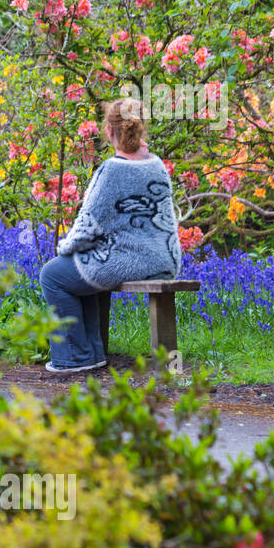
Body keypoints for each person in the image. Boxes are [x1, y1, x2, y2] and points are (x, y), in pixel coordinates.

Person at [39, 97, 182, 373]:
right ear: (140, 129)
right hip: (164, 260)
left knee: (53, 275)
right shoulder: (157, 165)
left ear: (109, 131)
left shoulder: (112, 170)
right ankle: (90, 352)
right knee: (82, 267)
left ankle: (75, 357)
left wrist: (65, 247)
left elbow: (87, 226)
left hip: (128, 261)